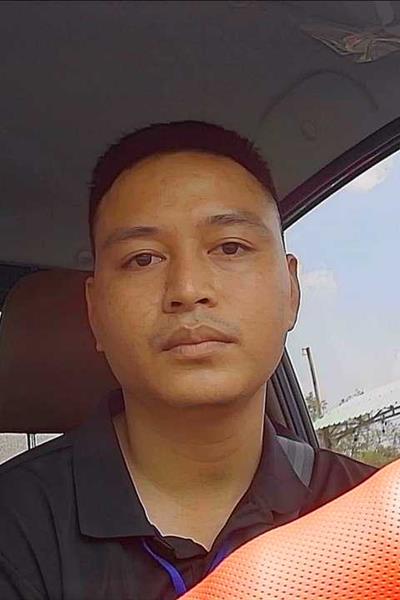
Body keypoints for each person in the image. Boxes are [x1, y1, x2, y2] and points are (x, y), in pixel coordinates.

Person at [0, 121, 377, 599]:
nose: (188, 289)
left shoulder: (373, 520)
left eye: (230, 247)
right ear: (95, 313)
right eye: (143, 258)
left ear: (291, 291)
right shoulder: (16, 534)